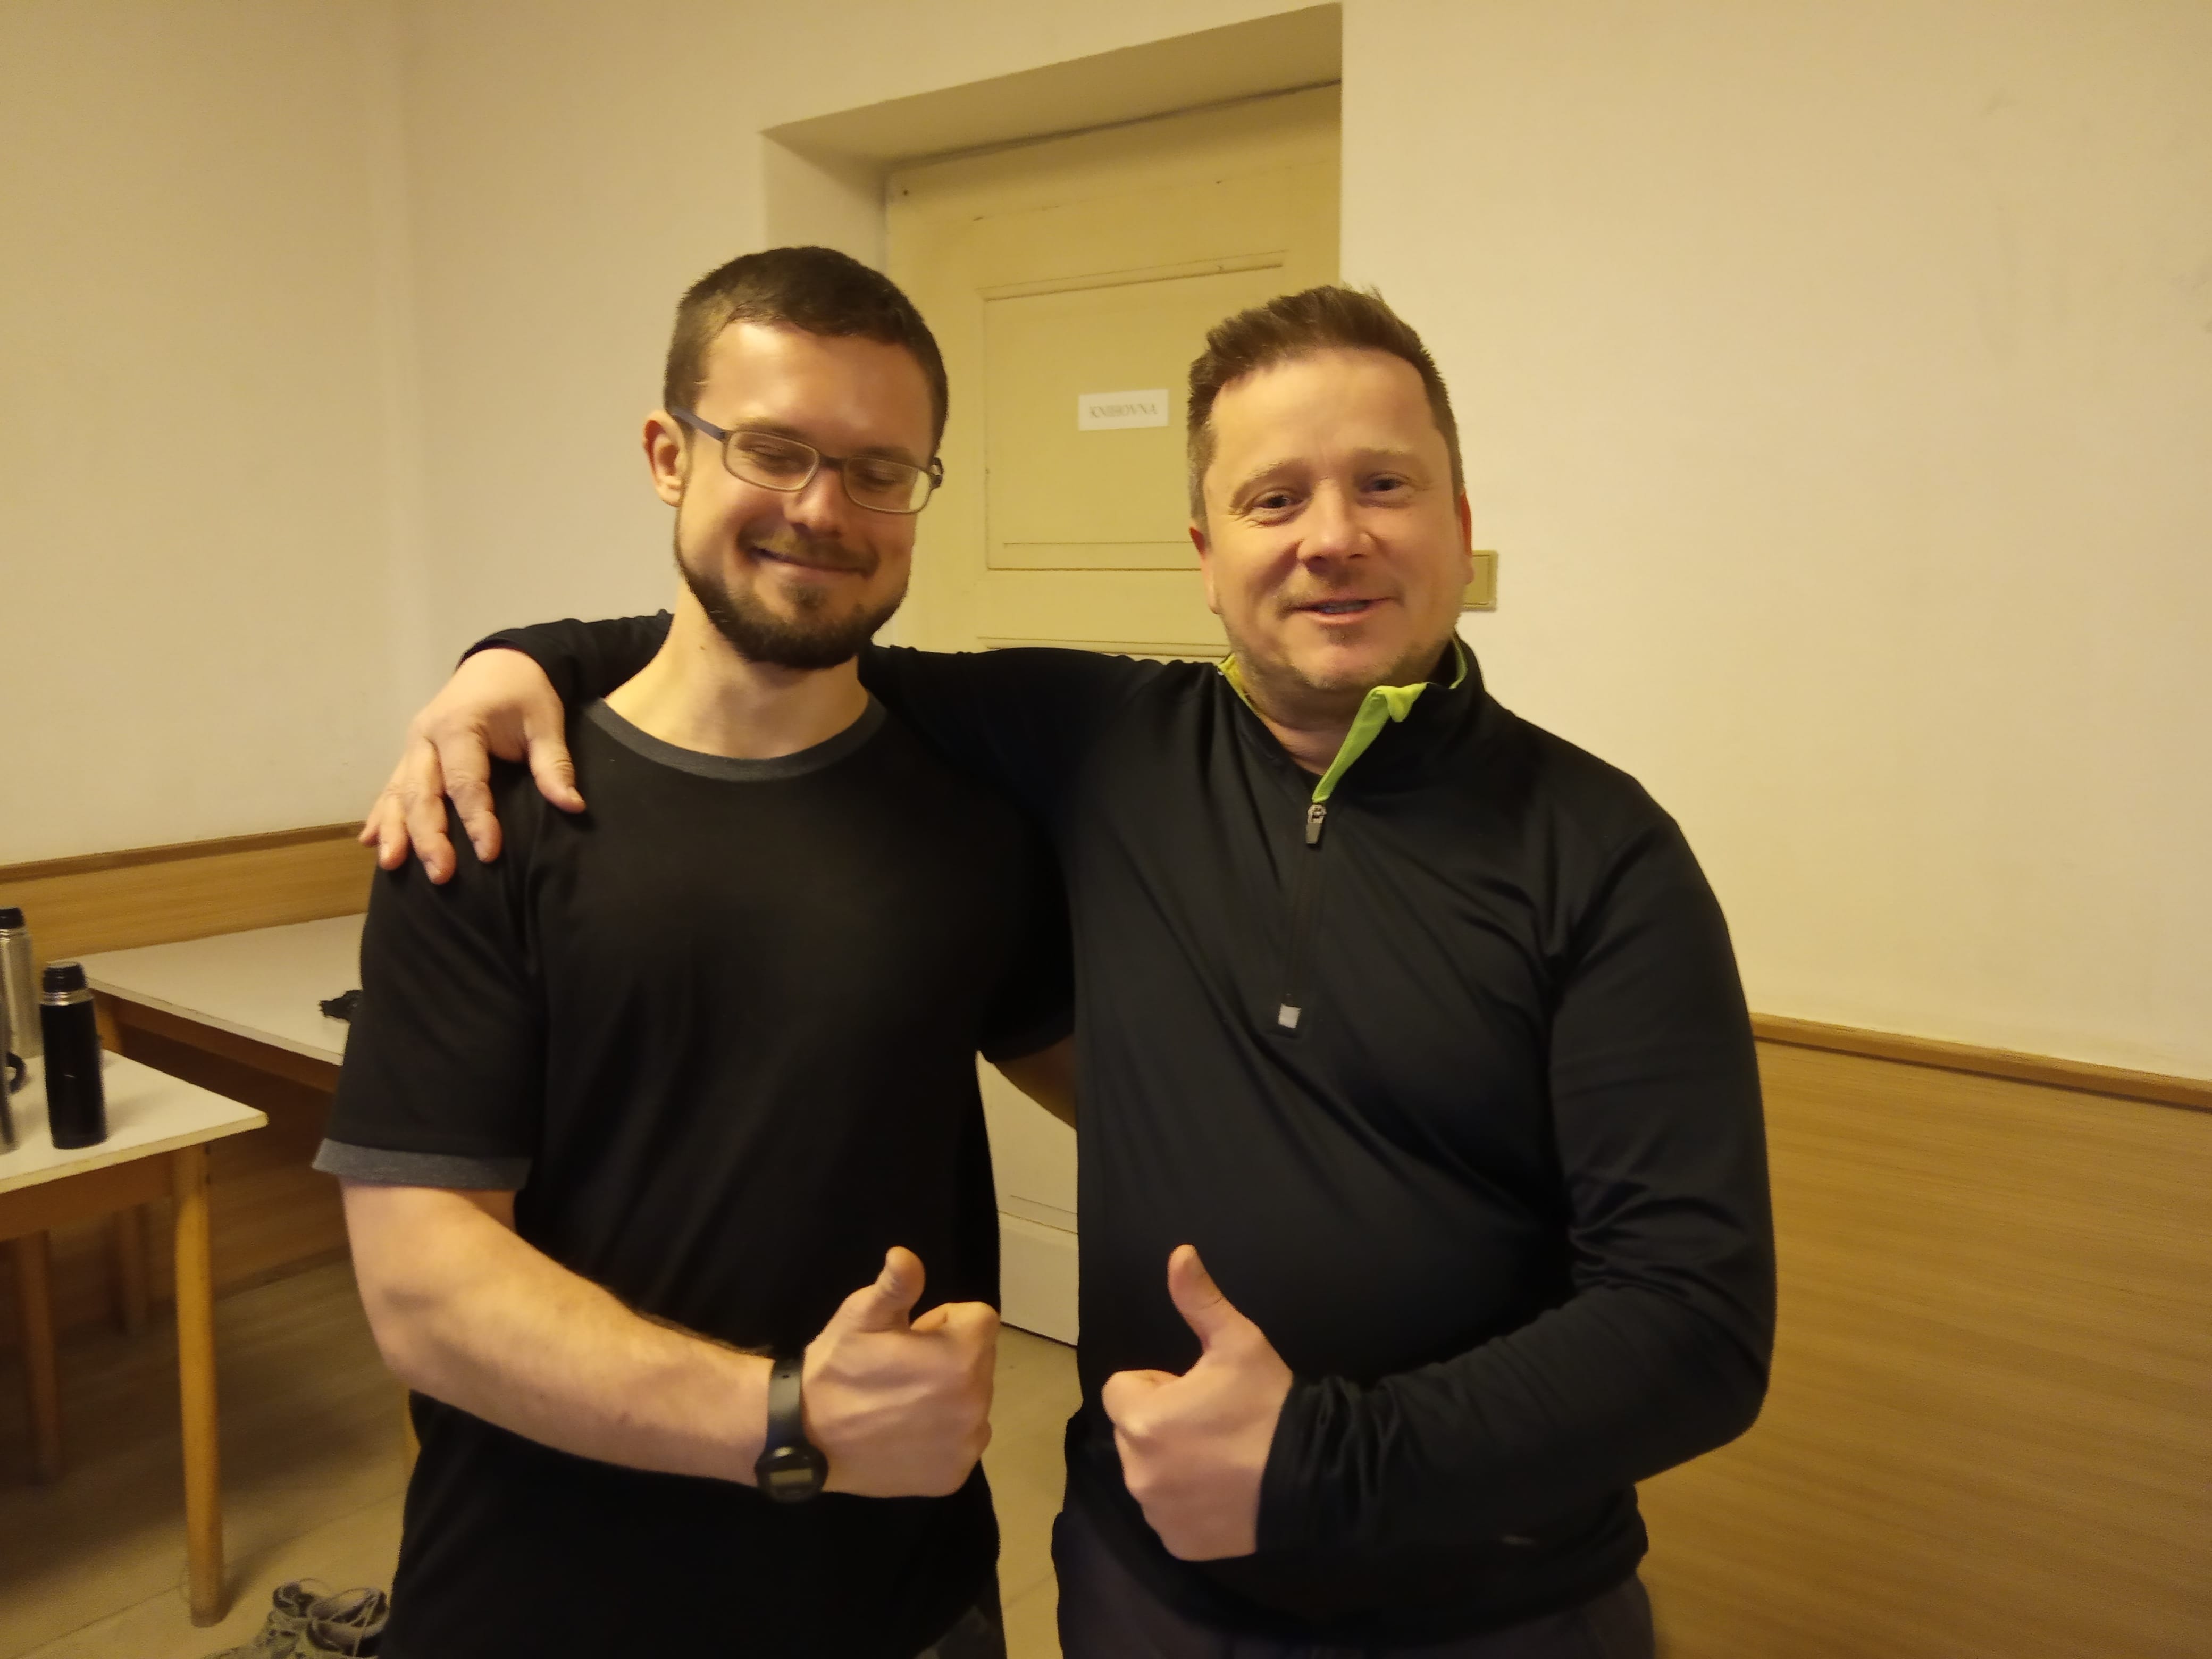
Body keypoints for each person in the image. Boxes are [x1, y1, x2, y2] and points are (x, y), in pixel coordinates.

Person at [367, 282, 1777, 1657]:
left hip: (1496, 1605)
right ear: (1205, 552)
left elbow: (1698, 1323)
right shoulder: (1100, 741)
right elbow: (780, 626)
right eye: (1274, 498)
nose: (1333, 537)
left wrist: (1330, 1462)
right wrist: (522, 661)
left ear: (1460, 525)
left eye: (1385, 486)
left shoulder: (1602, 850)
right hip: (1143, 1590)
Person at [320, 247, 1076, 1659]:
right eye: (773, 451)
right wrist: (786, 1420)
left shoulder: (972, 813)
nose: (823, 509)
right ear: (670, 455)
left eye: (878, 470)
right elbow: (423, 1287)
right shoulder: (485, 806)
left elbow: (1128, 1086)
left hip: (903, 1604)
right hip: (543, 1608)